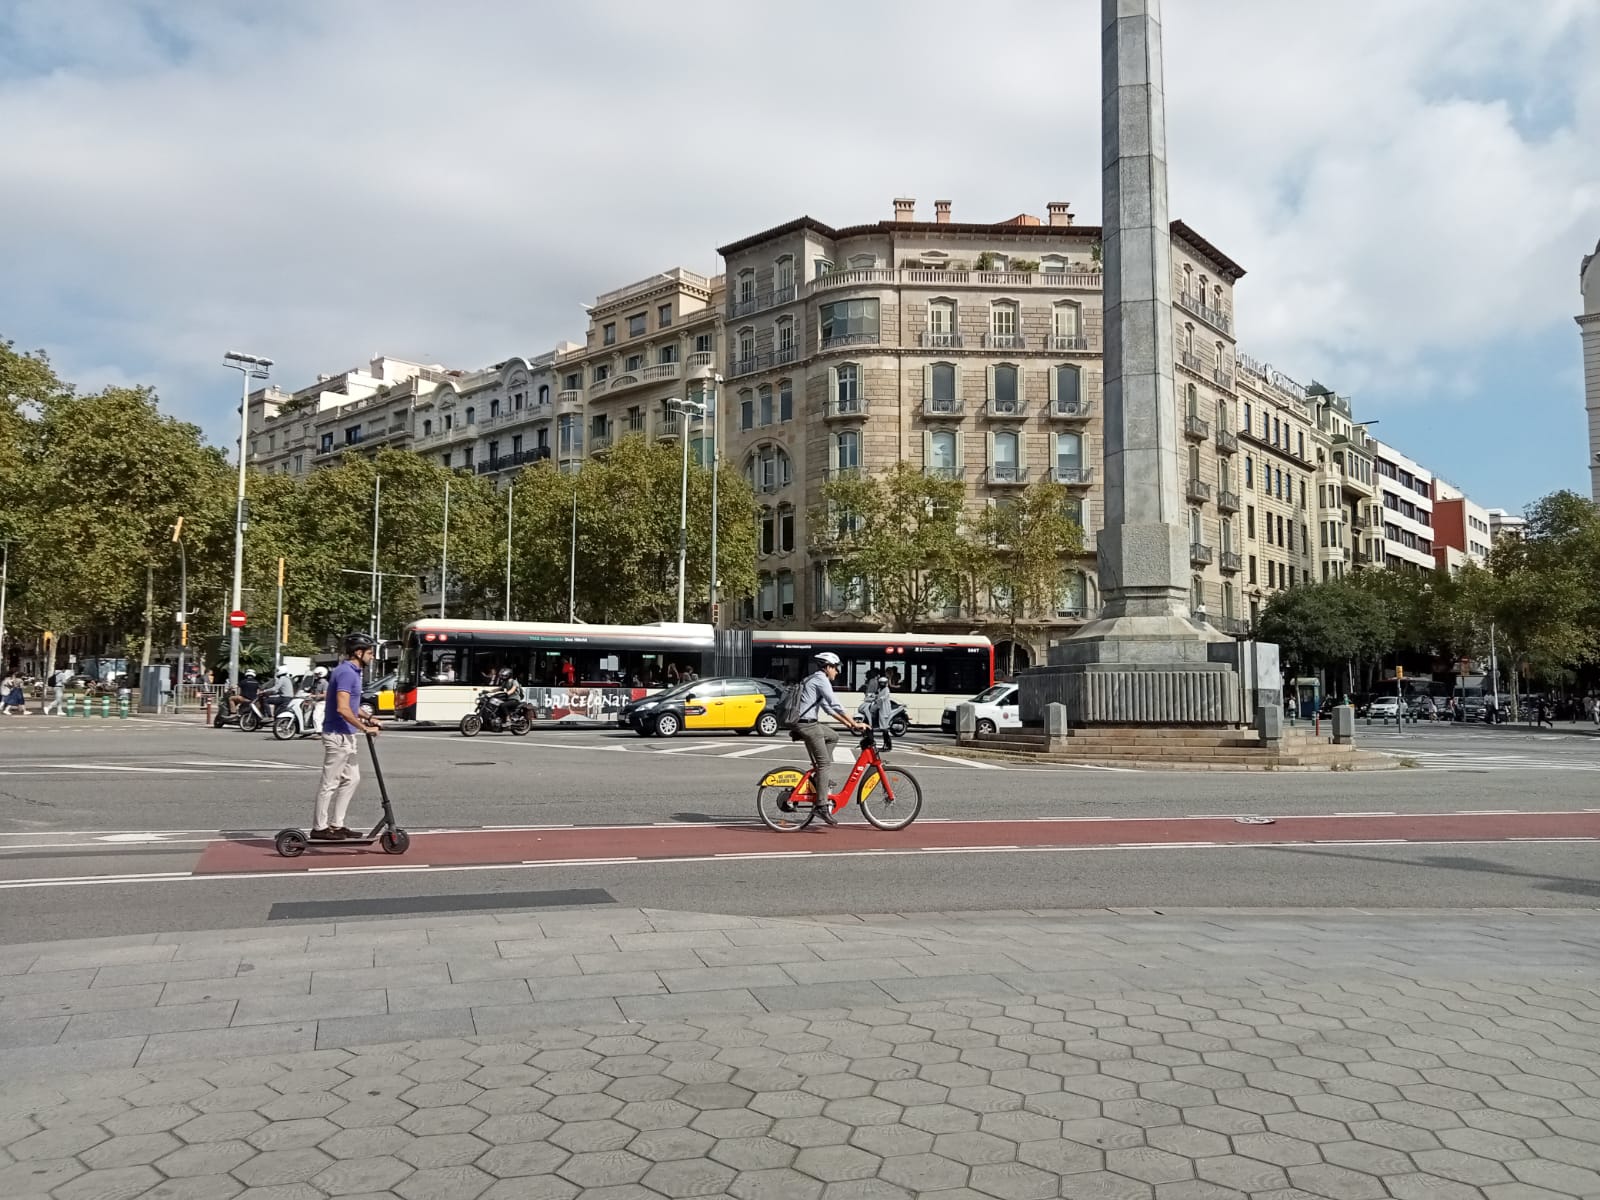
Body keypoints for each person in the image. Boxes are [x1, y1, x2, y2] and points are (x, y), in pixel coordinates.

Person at [312, 632, 382, 841]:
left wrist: (370, 718)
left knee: (352, 779)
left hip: (346, 735)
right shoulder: (347, 673)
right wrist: (365, 728)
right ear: (358, 653)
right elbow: (343, 708)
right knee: (330, 782)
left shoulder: (352, 672)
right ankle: (320, 827)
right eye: (370, 653)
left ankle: (337, 824)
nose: (372, 657)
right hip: (337, 734)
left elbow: (352, 706)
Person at [791, 652, 866, 825]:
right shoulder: (820, 680)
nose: (837, 672)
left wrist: (849, 724)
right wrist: (855, 722)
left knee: (833, 736)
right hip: (807, 725)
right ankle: (821, 805)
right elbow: (835, 703)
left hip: (808, 723)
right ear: (828, 667)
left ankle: (820, 777)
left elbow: (829, 709)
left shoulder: (814, 679)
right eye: (836, 668)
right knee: (825, 764)